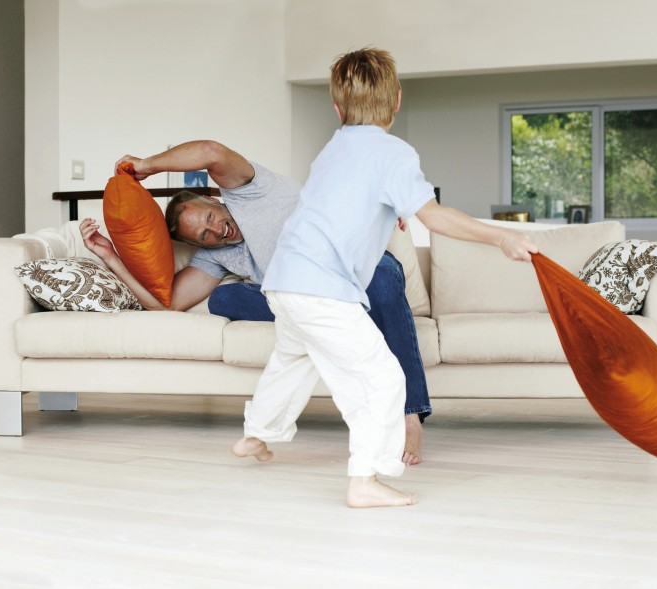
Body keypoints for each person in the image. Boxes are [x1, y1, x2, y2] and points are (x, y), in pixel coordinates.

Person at [230, 47, 538, 508]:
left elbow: (342, 203)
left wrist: (389, 209)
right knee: (383, 377)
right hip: (323, 289)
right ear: (397, 100)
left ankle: (257, 434)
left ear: (337, 109)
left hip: (284, 280)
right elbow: (434, 216)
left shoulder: (333, 149)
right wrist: (501, 237)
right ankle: (365, 479)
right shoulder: (394, 152)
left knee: (293, 359)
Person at [79, 141, 431, 464]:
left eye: (210, 218)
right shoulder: (214, 257)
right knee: (224, 297)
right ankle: (338, 322)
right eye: (204, 235)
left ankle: (409, 417)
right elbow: (166, 306)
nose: (217, 230)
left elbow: (211, 151)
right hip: (303, 296)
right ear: (200, 245)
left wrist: (147, 165)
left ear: (216, 200)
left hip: (358, 269)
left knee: (381, 281)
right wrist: (110, 258)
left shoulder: (250, 190)